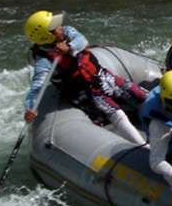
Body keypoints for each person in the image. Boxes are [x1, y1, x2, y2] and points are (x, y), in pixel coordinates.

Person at [23, 10, 148, 145]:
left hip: (103, 77)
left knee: (142, 95)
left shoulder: (68, 32)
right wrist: (30, 108)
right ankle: (143, 146)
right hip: (86, 92)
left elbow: (82, 41)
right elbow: (37, 87)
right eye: (56, 28)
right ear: (47, 36)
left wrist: (69, 47)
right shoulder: (44, 60)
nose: (61, 28)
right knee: (117, 114)